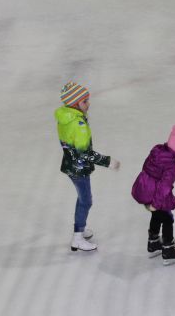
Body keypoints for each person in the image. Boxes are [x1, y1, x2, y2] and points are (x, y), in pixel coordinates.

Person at [55, 82, 120, 252]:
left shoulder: (66, 118)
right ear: (75, 104)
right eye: (84, 101)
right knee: (86, 201)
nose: (88, 103)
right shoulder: (78, 125)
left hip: (71, 164)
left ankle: (80, 229)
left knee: (83, 199)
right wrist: (108, 161)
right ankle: (77, 237)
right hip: (79, 168)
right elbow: (84, 153)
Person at [131, 124, 175, 265]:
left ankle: (153, 243)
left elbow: (147, 166)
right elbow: (164, 187)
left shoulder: (157, 149)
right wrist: (156, 204)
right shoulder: (172, 165)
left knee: (156, 215)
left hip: (144, 188)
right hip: (156, 195)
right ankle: (168, 250)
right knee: (167, 218)